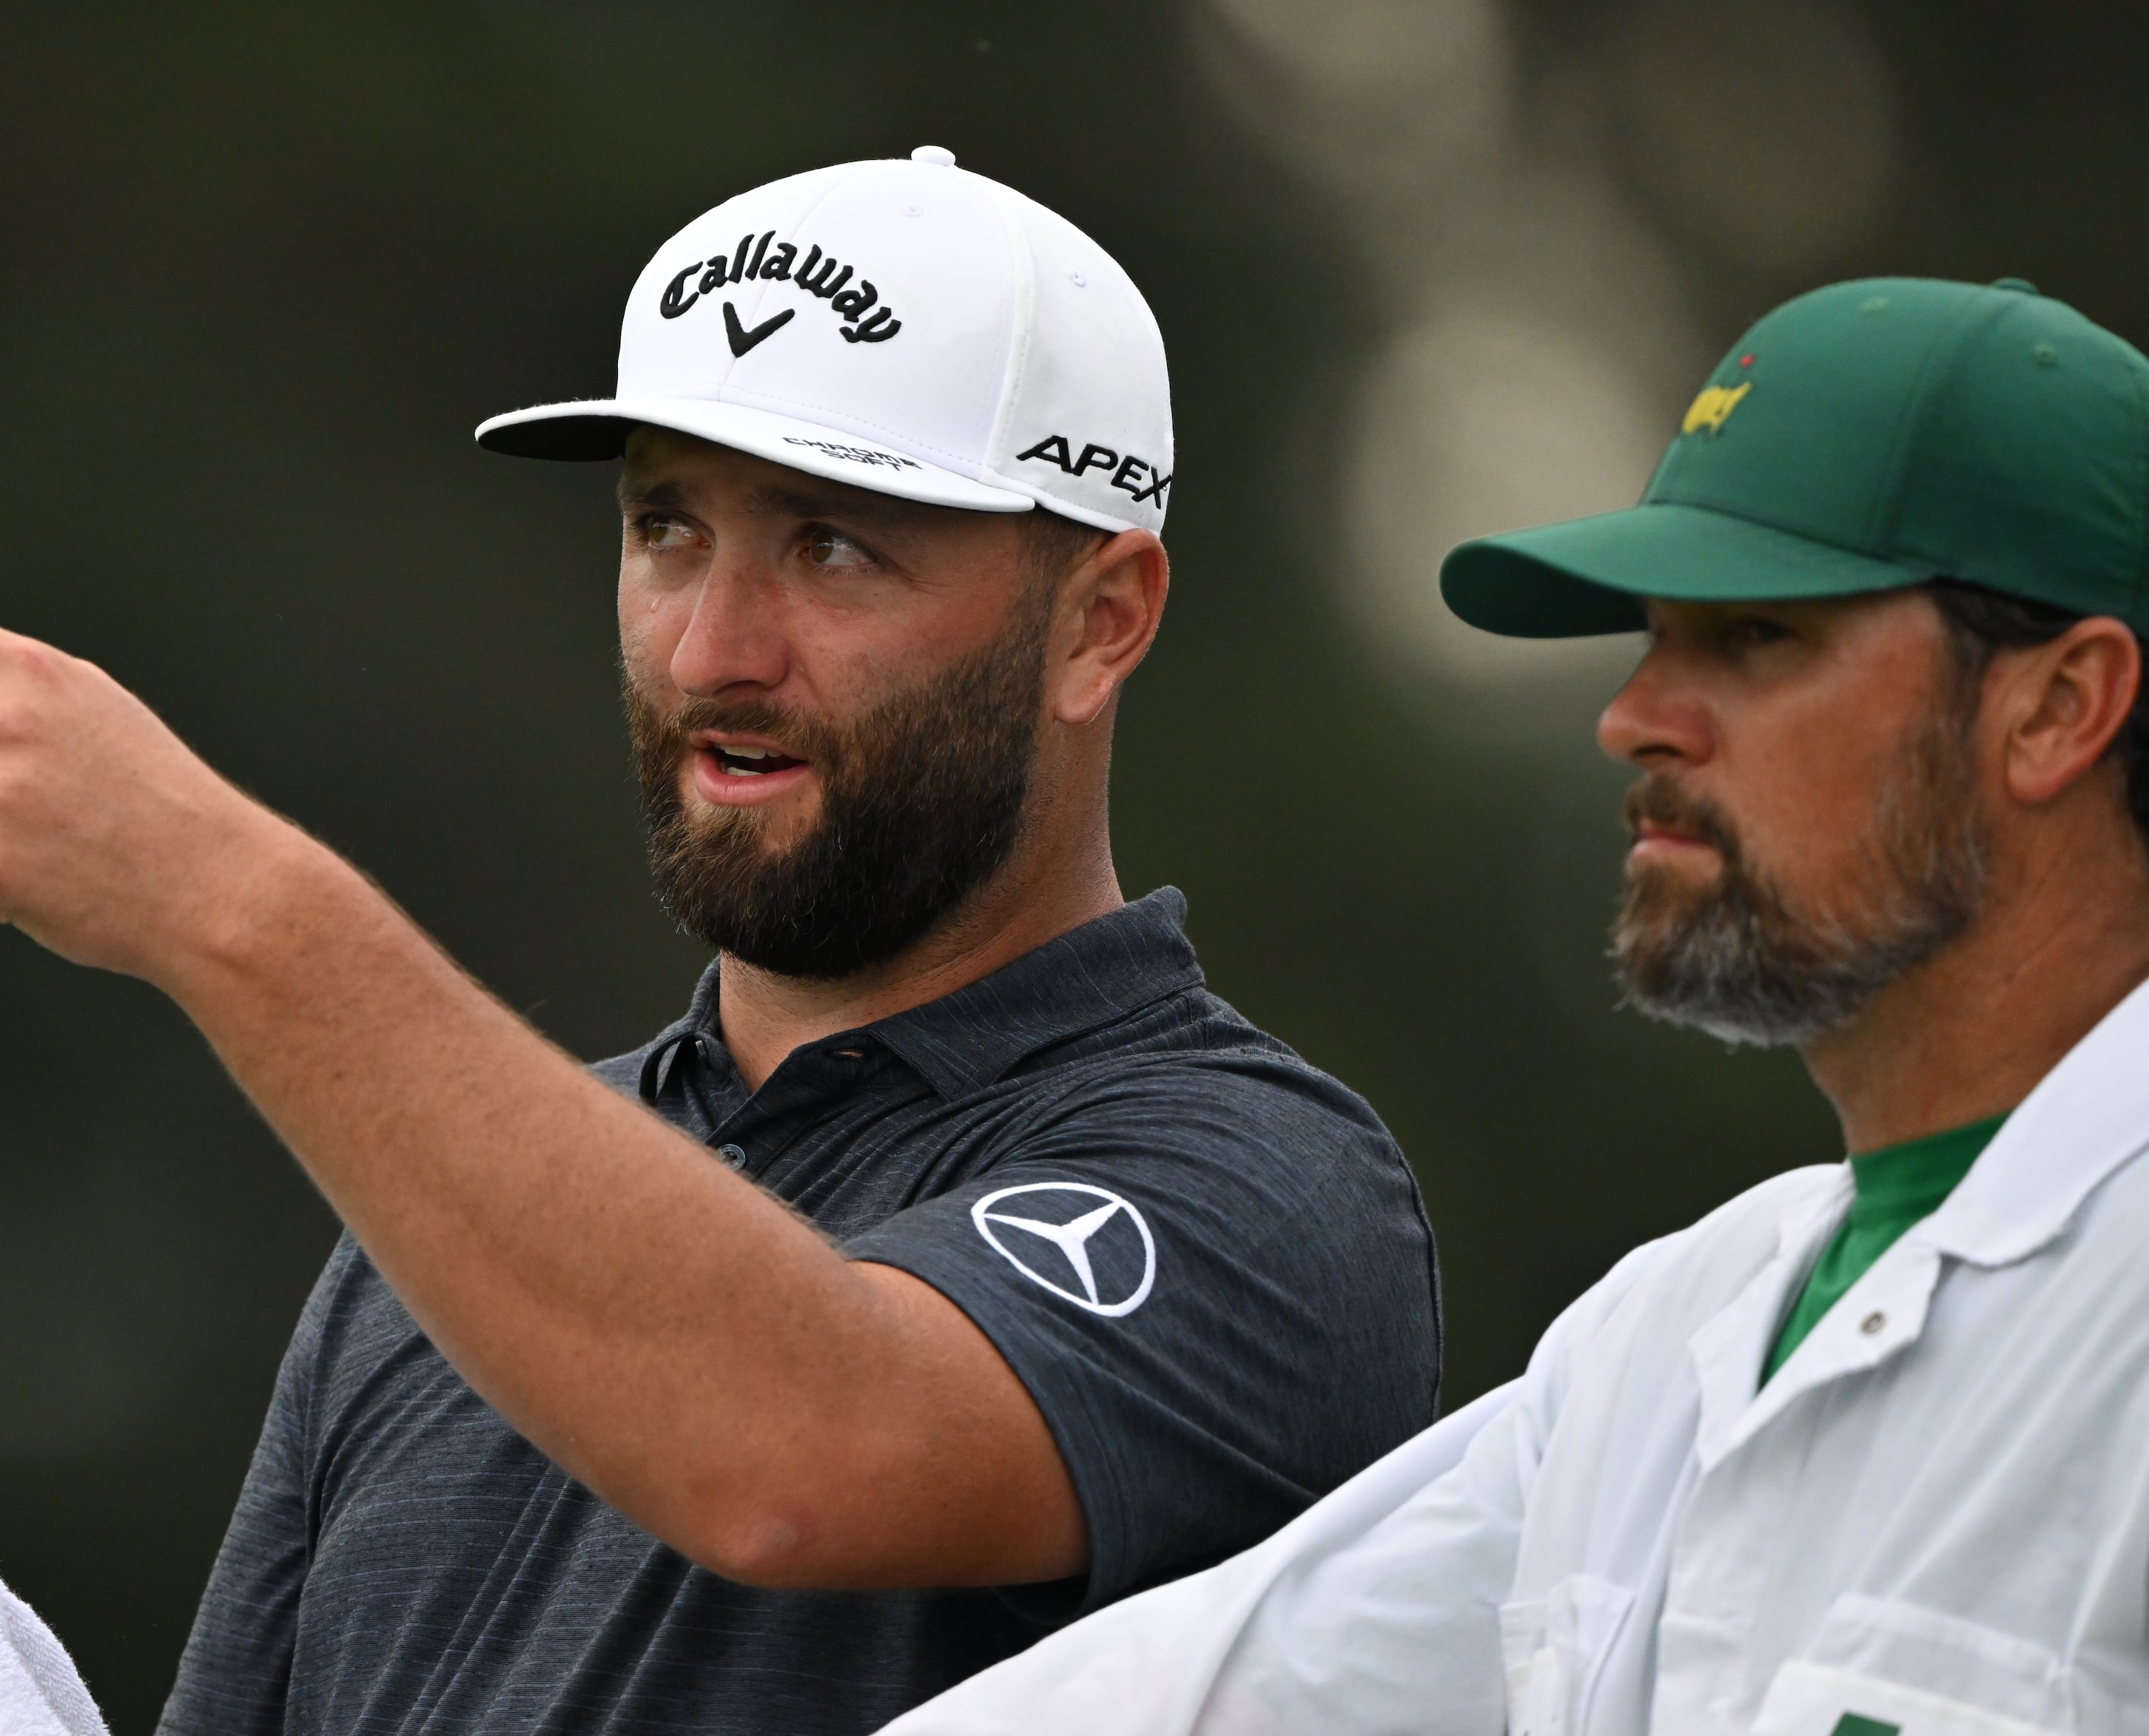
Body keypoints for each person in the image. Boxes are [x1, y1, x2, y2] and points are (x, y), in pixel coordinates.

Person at [0, 147, 1443, 1736]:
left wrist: (227, 899)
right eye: (666, 529)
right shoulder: (446, 1224)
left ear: (1103, 618)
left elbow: (795, 1452)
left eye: (833, 545)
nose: (718, 646)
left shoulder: (1268, 1185)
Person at [875, 275, 2149, 1736]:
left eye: (1759, 640)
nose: (1634, 713)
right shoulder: (1675, 1324)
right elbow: (1170, 1707)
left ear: (2057, 707)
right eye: (1657, 632)